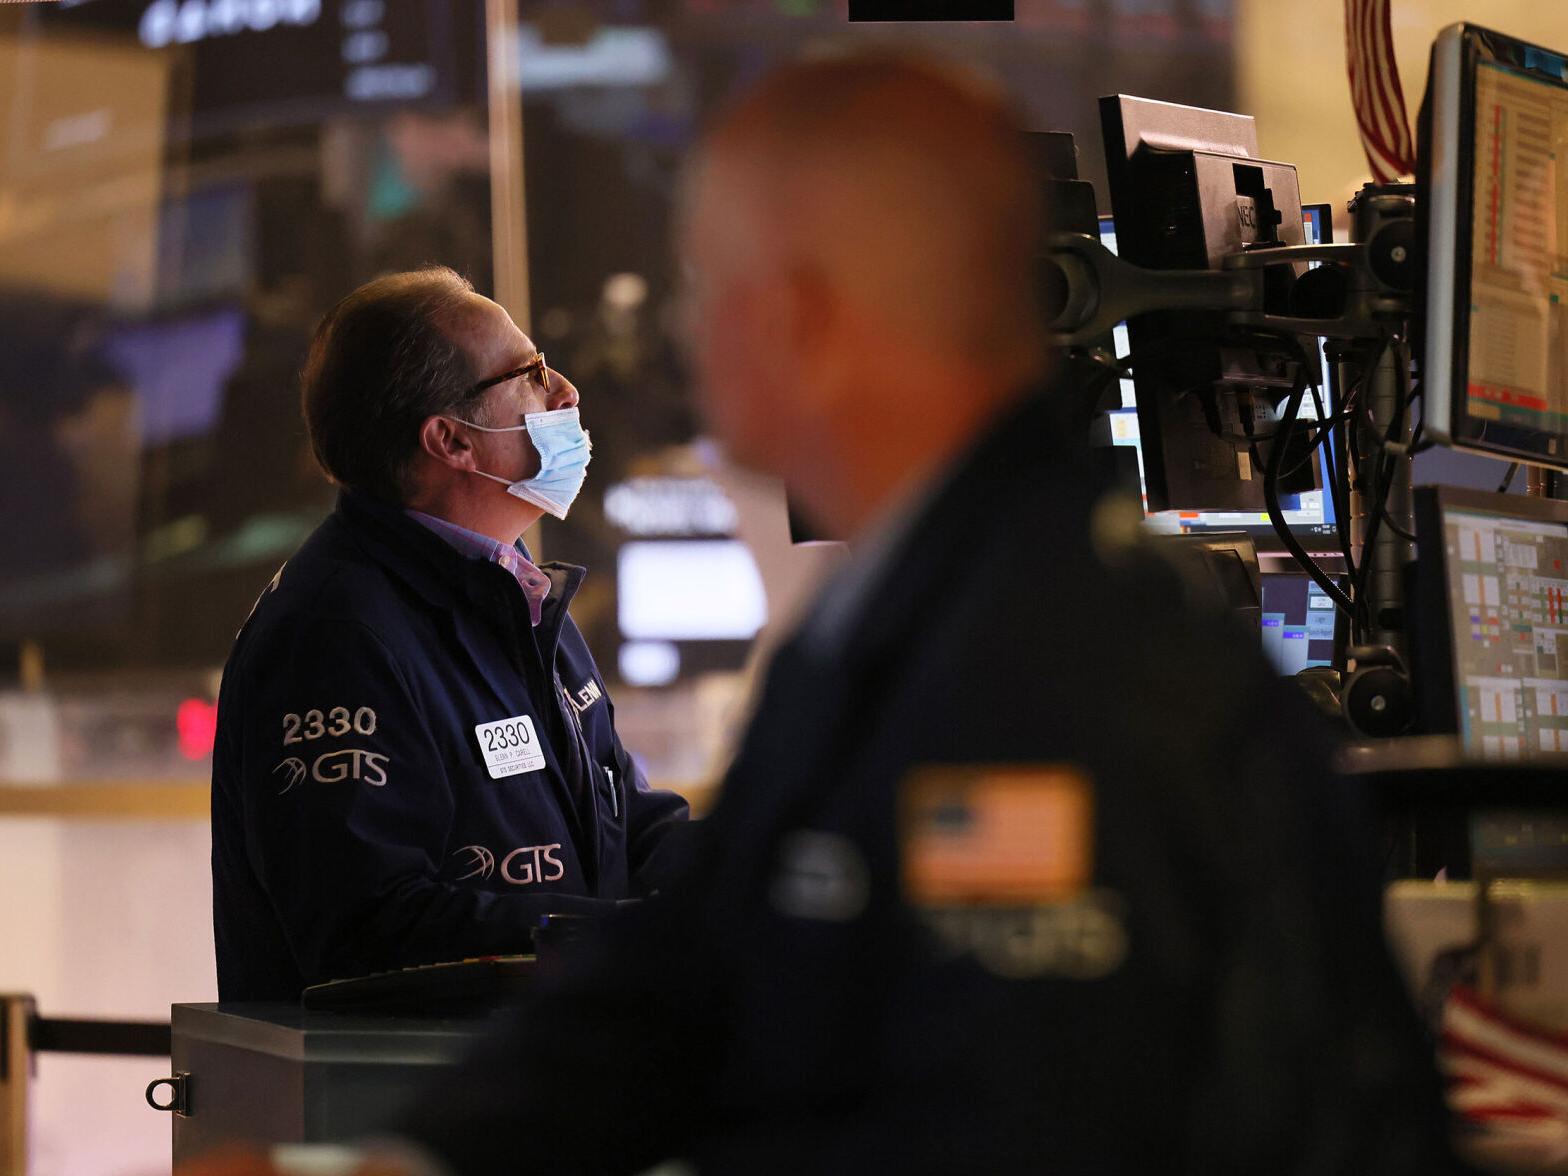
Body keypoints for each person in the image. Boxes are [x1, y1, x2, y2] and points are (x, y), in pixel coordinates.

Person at [188, 53, 1455, 1174]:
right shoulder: (923, 602)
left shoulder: (1027, 665)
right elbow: (707, 948)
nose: (681, 334)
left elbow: (1016, 1104)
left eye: (705, 287)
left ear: (804, 317)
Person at [209, 266, 688, 1001]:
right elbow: (369, 928)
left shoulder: (512, 590)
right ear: (452, 440)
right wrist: (629, 941)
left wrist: (748, 876)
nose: (566, 393)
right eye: (531, 374)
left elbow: (618, 818)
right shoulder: (336, 635)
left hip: (539, 1056)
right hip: (422, 1074)